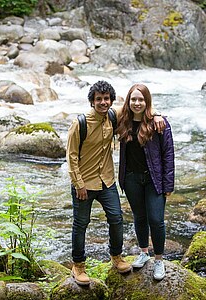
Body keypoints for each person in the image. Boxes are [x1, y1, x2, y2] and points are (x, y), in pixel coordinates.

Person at [66, 80, 165, 285]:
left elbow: (137, 105)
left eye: (106, 99)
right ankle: (78, 266)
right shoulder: (80, 124)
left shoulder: (113, 115)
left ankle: (116, 257)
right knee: (81, 224)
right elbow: (72, 156)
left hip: (107, 180)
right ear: (92, 102)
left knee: (116, 219)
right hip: (84, 182)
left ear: (111, 101)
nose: (103, 102)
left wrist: (156, 114)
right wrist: (79, 184)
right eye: (98, 99)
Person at [117, 83, 175, 281]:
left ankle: (159, 259)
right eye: (133, 99)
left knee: (156, 220)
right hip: (131, 178)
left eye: (141, 99)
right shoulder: (122, 120)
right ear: (128, 101)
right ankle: (144, 252)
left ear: (147, 101)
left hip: (154, 179)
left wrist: (168, 185)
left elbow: (168, 154)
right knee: (139, 217)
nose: (137, 103)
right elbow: (102, 111)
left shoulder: (159, 124)